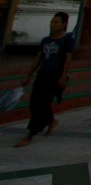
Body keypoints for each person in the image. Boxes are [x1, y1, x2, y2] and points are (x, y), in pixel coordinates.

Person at [15, 12, 73, 148]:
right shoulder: (46, 40)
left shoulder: (67, 40)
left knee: (43, 103)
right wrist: (28, 76)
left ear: (64, 24)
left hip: (55, 76)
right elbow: (38, 59)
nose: (53, 24)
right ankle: (51, 121)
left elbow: (68, 59)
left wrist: (63, 76)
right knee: (34, 103)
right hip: (42, 75)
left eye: (56, 22)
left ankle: (31, 134)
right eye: (52, 22)